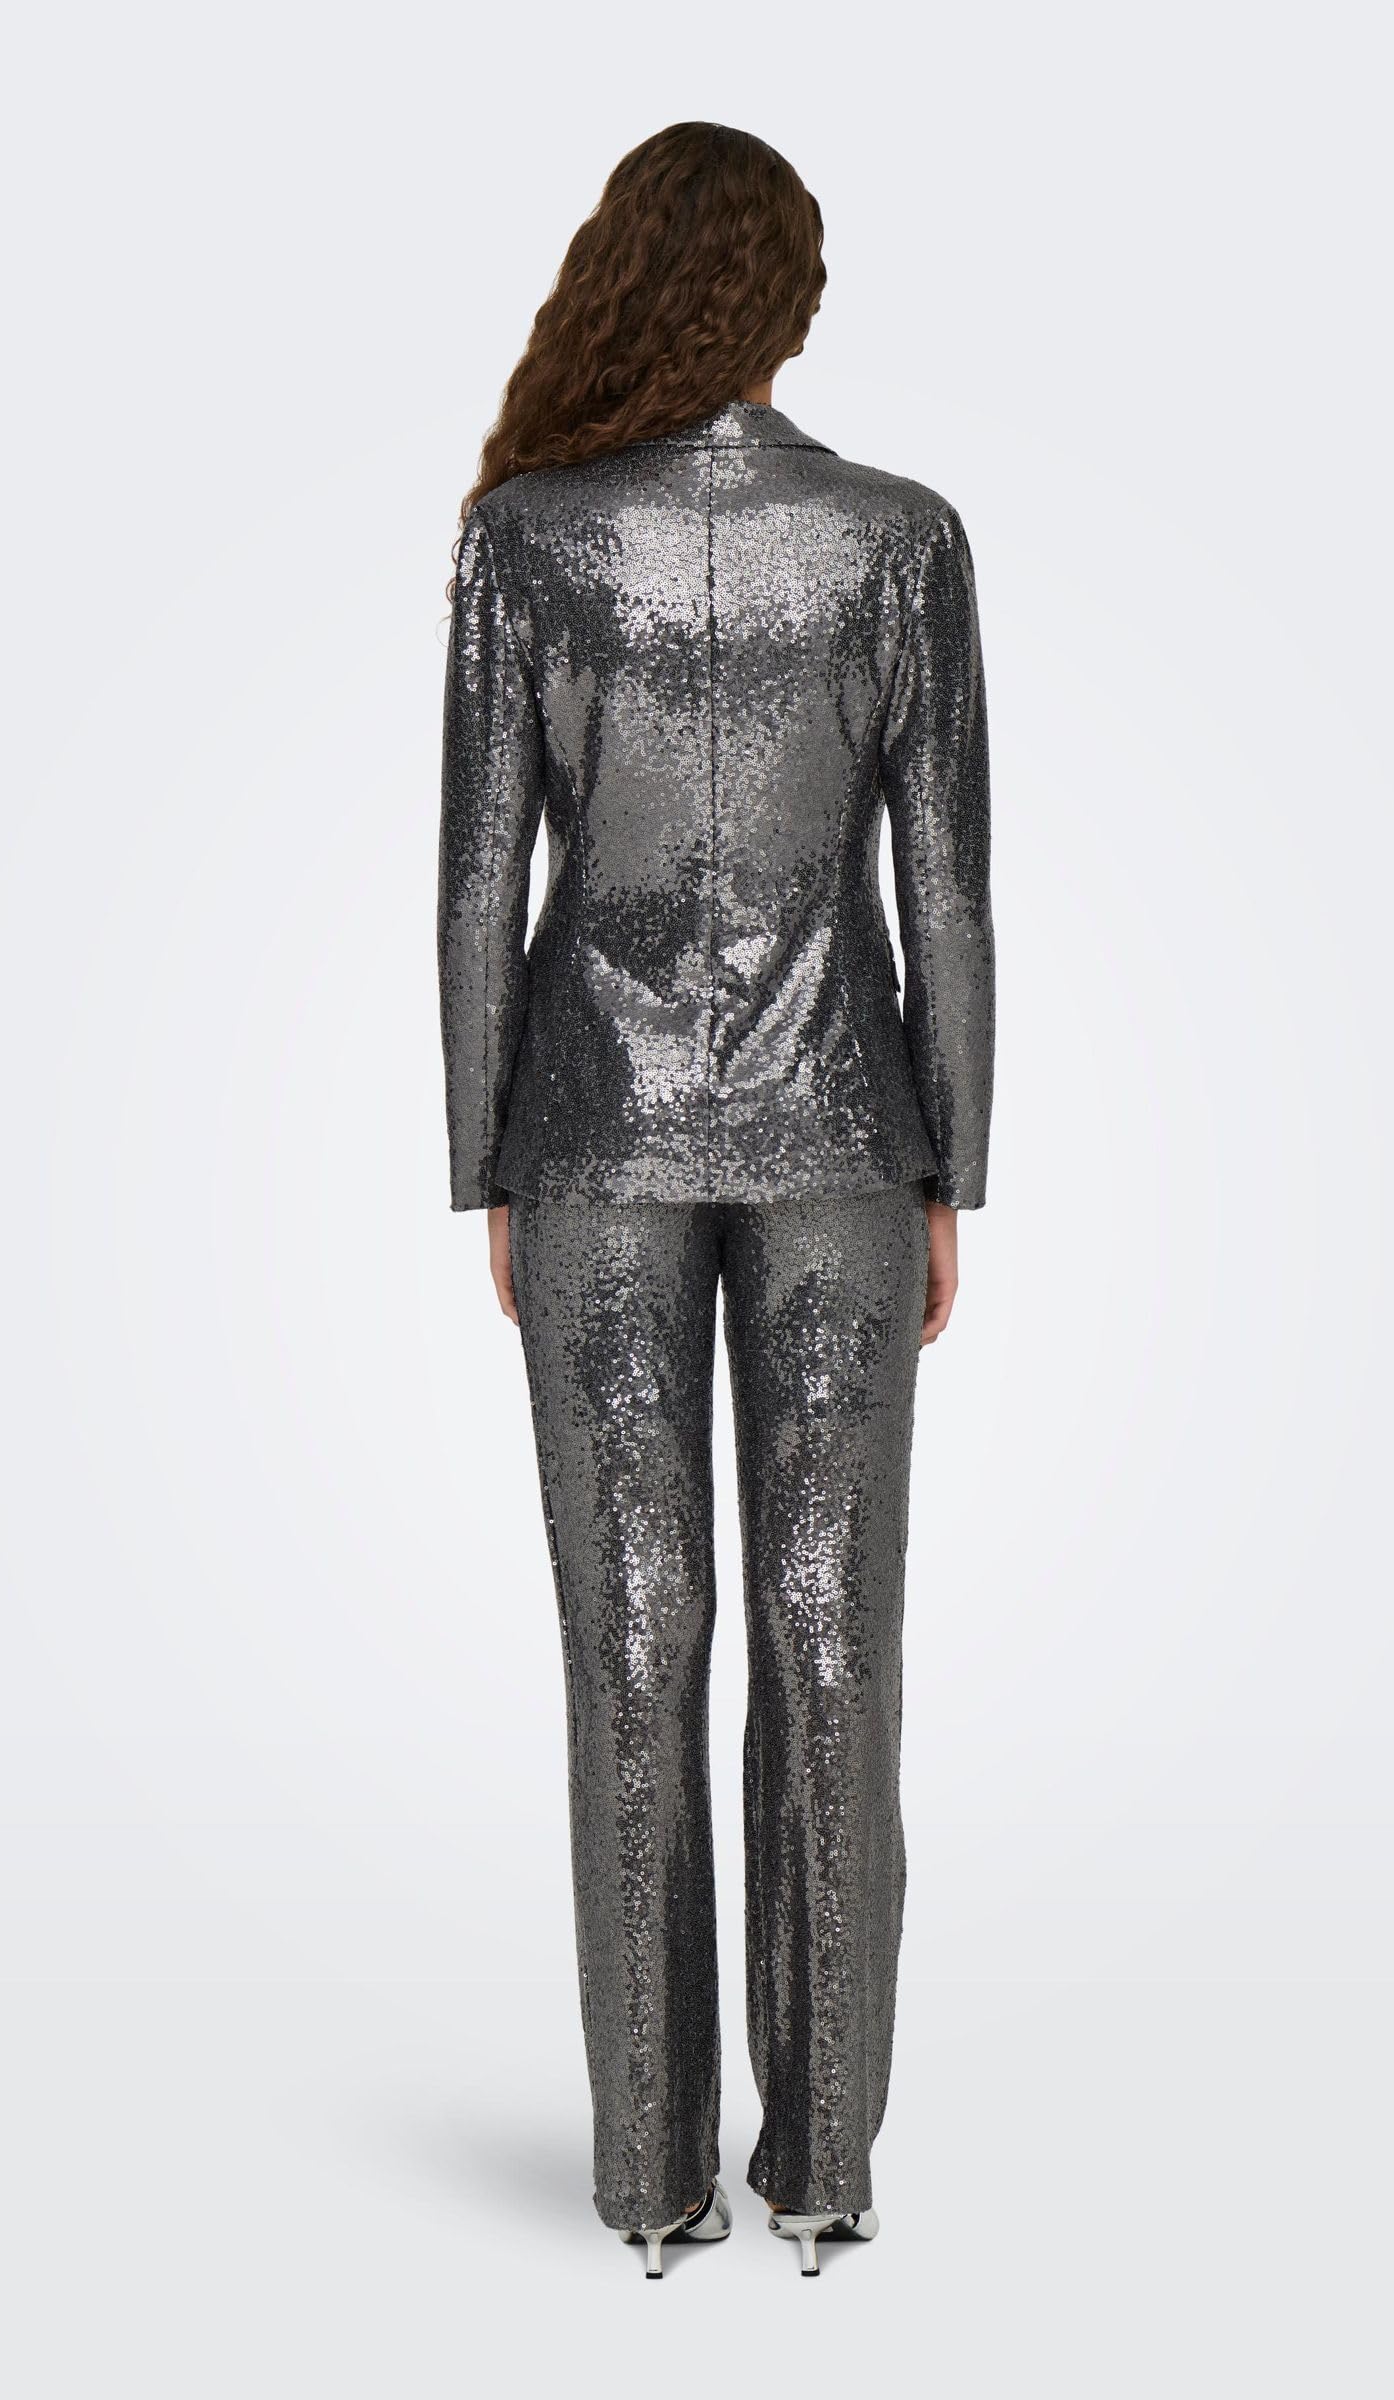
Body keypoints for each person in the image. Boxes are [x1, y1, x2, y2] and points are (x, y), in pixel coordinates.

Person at [437, 121, 994, 2280]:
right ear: (789, 305)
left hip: (590, 1139)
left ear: (628, 282)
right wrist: (954, 1158)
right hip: (843, 1135)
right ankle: (826, 2164)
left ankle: (649, 2177)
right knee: (836, 1634)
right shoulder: (899, 539)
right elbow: (946, 886)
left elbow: (479, 877)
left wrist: (485, 1156)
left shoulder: (525, 539)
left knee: (630, 1634)